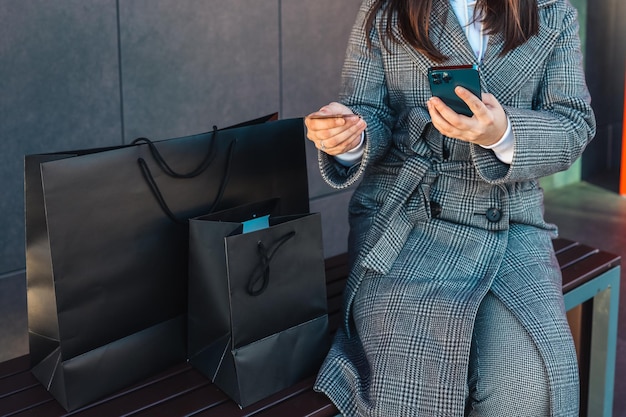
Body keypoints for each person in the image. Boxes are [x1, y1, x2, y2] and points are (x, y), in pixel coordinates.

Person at [304, 0, 595, 415]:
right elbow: (368, 110)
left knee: (528, 386)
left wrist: (503, 133)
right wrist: (349, 138)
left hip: (511, 219)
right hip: (407, 219)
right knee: (408, 386)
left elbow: (573, 124)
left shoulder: (551, 10)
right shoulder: (385, 8)